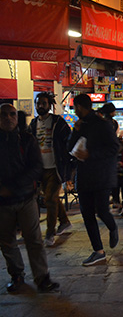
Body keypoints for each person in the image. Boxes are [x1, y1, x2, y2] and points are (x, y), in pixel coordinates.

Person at [0, 103, 59, 292]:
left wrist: (14, 186)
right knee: (7, 241)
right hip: (3, 202)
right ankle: (16, 275)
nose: (8, 118)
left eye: (11, 114)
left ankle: (42, 277)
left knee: (34, 239)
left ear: (17, 118)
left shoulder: (27, 140)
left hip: (25, 198)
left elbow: (35, 167)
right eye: (3, 115)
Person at [68, 94, 119, 266]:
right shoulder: (80, 125)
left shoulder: (102, 124)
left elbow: (114, 148)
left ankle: (112, 227)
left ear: (81, 107)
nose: (75, 111)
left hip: (101, 175)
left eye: (76, 108)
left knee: (102, 211)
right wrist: (75, 132)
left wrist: (92, 155)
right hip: (84, 175)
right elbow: (70, 149)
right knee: (87, 213)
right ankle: (98, 251)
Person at [29, 92, 72, 247]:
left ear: (50, 105)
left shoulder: (58, 123)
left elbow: (68, 142)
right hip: (40, 169)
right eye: (38, 103)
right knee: (51, 198)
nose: (40, 106)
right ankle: (65, 221)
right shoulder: (33, 124)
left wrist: (68, 168)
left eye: (44, 103)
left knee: (49, 199)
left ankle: (50, 233)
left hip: (55, 168)